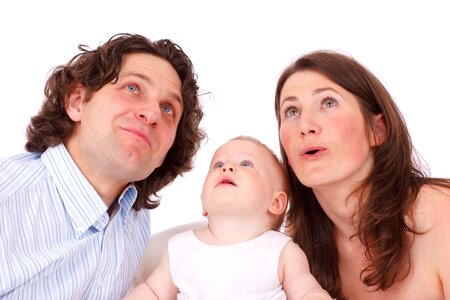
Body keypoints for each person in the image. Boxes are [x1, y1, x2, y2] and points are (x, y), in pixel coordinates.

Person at [0, 33, 205, 299]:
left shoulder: (135, 219)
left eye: (168, 109)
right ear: (76, 102)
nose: (153, 113)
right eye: (132, 88)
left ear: (164, 153)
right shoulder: (8, 201)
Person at [274, 50, 450, 299]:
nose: (305, 126)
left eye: (328, 103)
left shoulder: (442, 214)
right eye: (291, 111)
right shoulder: (292, 247)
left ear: (377, 130)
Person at [124, 136, 332, 300]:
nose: (227, 167)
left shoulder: (282, 250)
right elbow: (152, 292)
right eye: (218, 164)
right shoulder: (180, 248)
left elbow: (306, 293)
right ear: (203, 202)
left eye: (246, 164)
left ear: (276, 203)